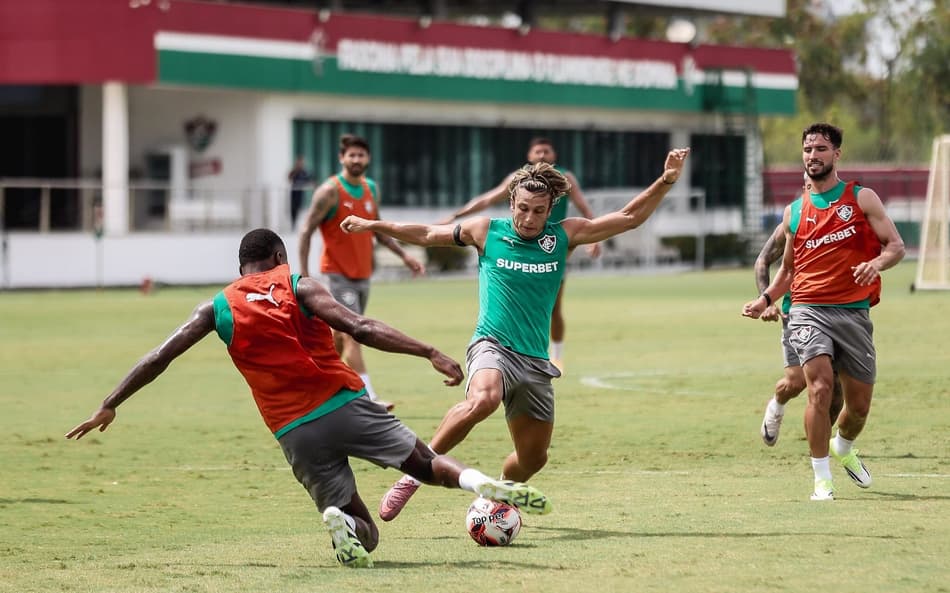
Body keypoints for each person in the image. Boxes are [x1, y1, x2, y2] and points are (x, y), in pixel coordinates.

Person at [65, 228, 551, 569]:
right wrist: (427, 351)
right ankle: (480, 483)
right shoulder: (298, 285)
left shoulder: (216, 306)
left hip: (292, 430)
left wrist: (110, 402)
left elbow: (159, 356)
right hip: (343, 404)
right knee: (425, 463)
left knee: (368, 534)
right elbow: (359, 326)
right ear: (280, 257)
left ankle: (342, 524)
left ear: (240, 268)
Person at [341, 147, 691, 520]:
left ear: (551, 208)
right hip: (492, 345)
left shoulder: (564, 236)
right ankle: (414, 473)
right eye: (522, 208)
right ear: (512, 202)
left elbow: (628, 217)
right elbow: (428, 233)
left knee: (532, 458)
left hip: (535, 361)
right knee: (484, 399)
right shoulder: (486, 231)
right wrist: (374, 226)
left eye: (538, 211)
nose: (529, 218)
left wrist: (666, 179)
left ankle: (498, 493)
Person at [742, 123, 904, 501]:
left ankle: (843, 448)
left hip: (853, 313)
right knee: (818, 387)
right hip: (807, 310)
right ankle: (821, 481)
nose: (812, 156)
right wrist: (765, 300)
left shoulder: (862, 199)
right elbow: (787, 271)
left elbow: (895, 246)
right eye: (808, 149)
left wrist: (877, 264)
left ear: (837, 155)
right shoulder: (794, 213)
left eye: (821, 149)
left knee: (858, 406)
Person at [438, 137, 602, 371]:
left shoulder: (565, 178)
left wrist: (593, 238)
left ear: (553, 155)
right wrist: (456, 217)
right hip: (517, 249)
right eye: (538, 152)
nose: (542, 156)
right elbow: (488, 198)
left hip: (550, 250)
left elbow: (584, 207)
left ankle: (556, 357)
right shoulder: (520, 180)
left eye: (547, 151)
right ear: (530, 155)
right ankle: (504, 351)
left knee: (553, 306)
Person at [298, 134, 426, 411]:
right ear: (341, 158)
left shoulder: (371, 189)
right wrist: (305, 276)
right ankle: (369, 397)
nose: (356, 160)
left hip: (362, 275)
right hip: (336, 275)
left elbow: (377, 231)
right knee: (355, 333)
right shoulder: (329, 191)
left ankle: (312, 386)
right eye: (351, 155)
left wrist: (405, 256)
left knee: (337, 339)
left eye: (361, 155)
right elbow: (306, 231)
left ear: (368, 159)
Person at [754, 220, 843, 446]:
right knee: (795, 383)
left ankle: (818, 449)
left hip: (839, 313)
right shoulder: (794, 219)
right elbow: (763, 261)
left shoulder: (844, 217)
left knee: (835, 395)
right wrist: (767, 301)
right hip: (798, 313)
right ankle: (777, 405)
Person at [288, 155, 312, 230]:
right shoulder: (294, 171)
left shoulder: (304, 172)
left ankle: (297, 224)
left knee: (299, 208)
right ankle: (293, 224)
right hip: (294, 193)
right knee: (293, 209)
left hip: (300, 194)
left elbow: (309, 180)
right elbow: (289, 178)